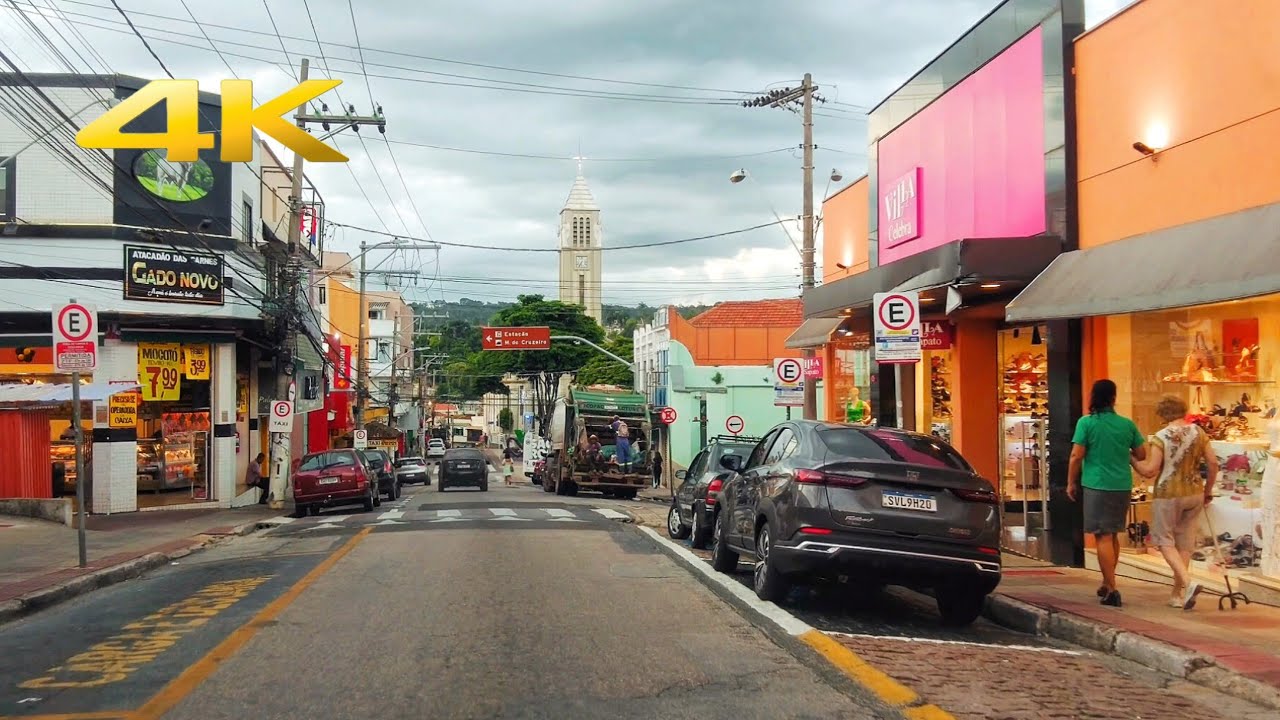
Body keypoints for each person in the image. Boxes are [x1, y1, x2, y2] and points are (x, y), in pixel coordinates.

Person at [1131, 394, 1219, 609]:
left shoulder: (1161, 436)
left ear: (1162, 413)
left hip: (1168, 493)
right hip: (1195, 491)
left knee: (1164, 540)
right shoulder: (1199, 432)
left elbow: (1150, 470)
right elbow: (1214, 463)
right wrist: (1207, 490)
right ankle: (1177, 595)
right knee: (1185, 543)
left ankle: (1188, 583)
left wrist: (1131, 459)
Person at [1068, 379, 1147, 607]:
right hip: (1122, 485)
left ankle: (1112, 589)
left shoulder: (1087, 423)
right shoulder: (1126, 424)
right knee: (1112, 535)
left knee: (1102, 535)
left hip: (1097, 485)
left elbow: (1076, 455)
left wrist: (1070, 482)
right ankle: (1106, 580)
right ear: (1113, 398)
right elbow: (1141, 454)